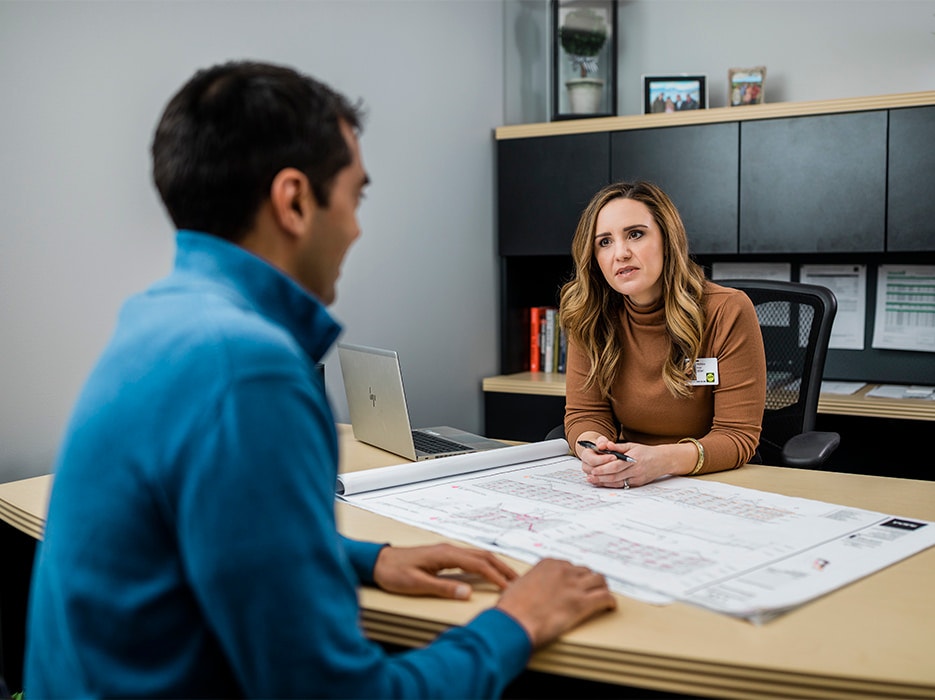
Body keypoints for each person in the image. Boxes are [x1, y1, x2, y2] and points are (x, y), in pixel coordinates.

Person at [25, 60, 616, 698]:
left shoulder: (162, 319)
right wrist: (516, 621)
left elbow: (220, 544)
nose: (358, 226)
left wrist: (369, 558)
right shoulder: (249, 373)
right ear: (295, 201)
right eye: (356, 196)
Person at [559, 181, 766, 490]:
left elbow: (737, 436)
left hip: (713, 481)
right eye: (604, 242)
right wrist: (592, 448)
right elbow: (586, 414)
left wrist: (661, 461)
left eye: (635, 234)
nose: (621, 253)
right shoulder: (589, 314)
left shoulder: (728, 311)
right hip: (629, 479)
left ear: (667, 240)